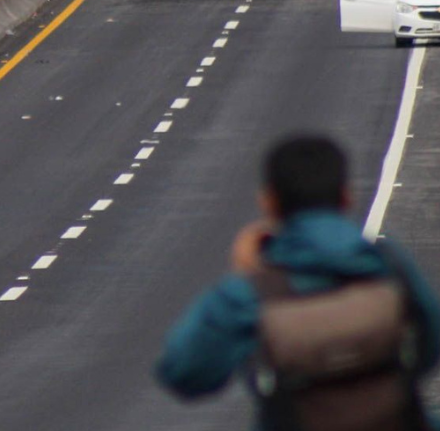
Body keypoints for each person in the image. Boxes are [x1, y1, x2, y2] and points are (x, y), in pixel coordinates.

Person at [156, 135, 440, 430]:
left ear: (269, 202)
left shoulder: (249, 294)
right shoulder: (389, 265)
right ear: (346, 197)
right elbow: (430, 345)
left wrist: (245, 275)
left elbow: (184, 373)